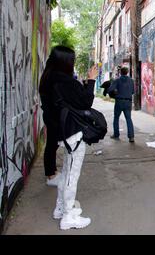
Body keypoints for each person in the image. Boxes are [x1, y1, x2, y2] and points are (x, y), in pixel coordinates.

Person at [39, 46, 98, 230]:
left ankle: (60, 208)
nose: (73, 64)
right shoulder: (64, 82)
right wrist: (91, 79)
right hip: (72, 133)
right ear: (66, 62)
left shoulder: (48, 79)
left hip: (61, 131)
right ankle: (68, 215)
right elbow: (86, 101)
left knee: (66, 171)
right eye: (72, 60)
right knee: (72, 175)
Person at [108, 67, 135, 143]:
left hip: (119, 101)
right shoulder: (131, 81)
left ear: (120, 72)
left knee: (116, 118)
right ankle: (131, 137)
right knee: (128, 119)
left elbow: (110, 89)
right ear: (127, 72)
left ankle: (116, 134)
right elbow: (132, 92)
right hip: (128, 102)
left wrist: (116, 92)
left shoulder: (117, 80)